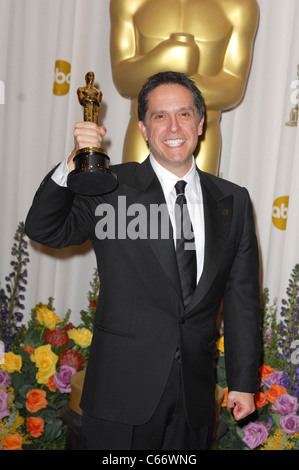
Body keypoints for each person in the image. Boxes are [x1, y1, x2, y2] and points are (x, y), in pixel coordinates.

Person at [25, 71, 260, 450]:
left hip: (195, 401)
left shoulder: (233, 200)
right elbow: (45, 229)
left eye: (184, 114)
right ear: (143, 128)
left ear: (200, 124)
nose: (173, 126)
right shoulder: (112, 188)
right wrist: (72, 166)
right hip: (120, 396)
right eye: (159, 116)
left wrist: (244, 382)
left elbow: (242, 301)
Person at [110, 0, 259, 175]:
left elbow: (233, 88)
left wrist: (179, 75)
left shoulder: (239, 6)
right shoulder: (129, 2)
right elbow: (122, 80)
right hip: (144, 131)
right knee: (134, 199)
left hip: (202, 135)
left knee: (197, 201)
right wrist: (164, 57)